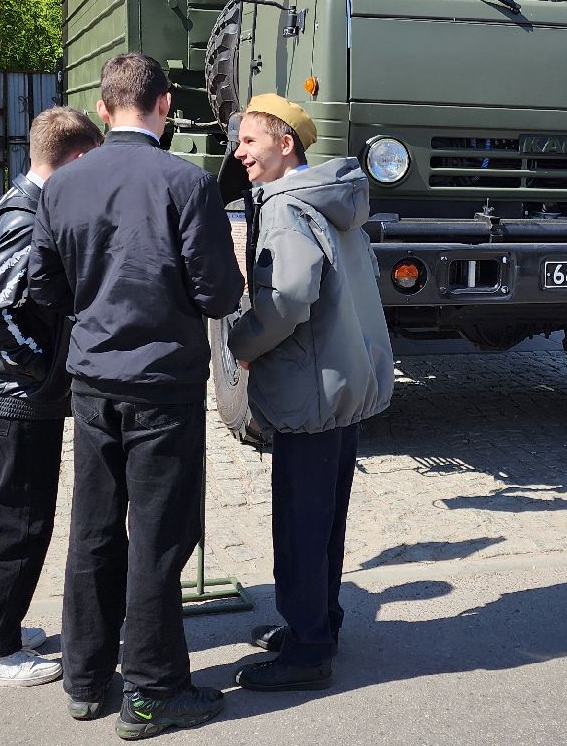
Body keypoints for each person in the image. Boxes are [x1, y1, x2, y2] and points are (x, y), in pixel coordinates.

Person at [28, 53, 244, 738]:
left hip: (93, 380)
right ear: (166, 105)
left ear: (101, 105)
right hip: (161, 383)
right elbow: (218, 292)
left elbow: (43, 286)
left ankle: (88, 680)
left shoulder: (63, 185)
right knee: (157, 534)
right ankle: (152, 692)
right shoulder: (186, 181)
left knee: (94, 527)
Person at [225, 95, 394, 692]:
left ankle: (306, 650)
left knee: (300, 525)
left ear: (285, 143)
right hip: (341, 389)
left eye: (249, 141)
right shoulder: (333, 199)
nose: (239, 153)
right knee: (325, 519)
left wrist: (242, 342)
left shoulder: (287, 208)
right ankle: (320, 623)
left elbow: (287, 298)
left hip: (308, 391)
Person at [0, 106, 105, 688]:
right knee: (17, 516)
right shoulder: (26, 217)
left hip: (5, 391)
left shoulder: (17, 202)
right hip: (13, 395)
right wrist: (43, 367)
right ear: (76, 159)